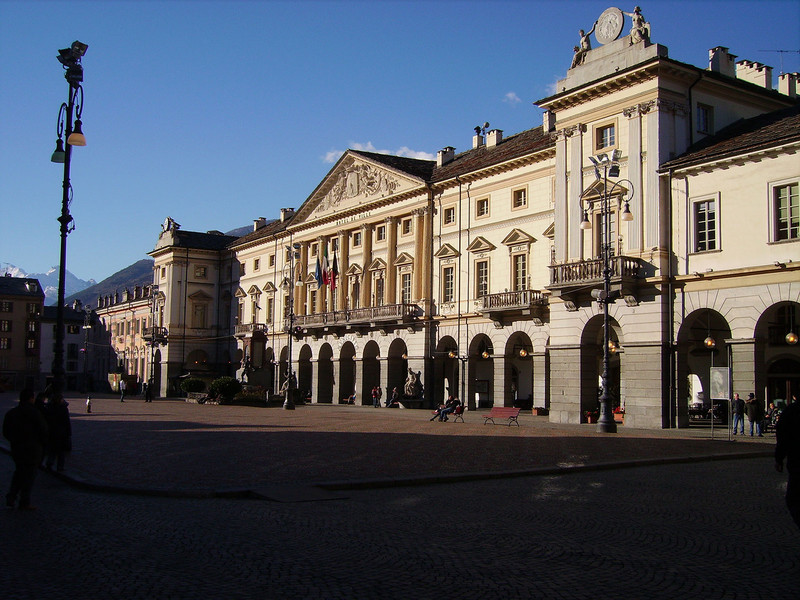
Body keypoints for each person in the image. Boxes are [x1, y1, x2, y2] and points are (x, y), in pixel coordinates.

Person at [4, 388, 49, 510]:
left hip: (17, 448)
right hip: (32, 448)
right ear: (31, 398)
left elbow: (6, 432)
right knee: (29, 475)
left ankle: (11, 496)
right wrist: (41, 443)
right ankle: (24, 501)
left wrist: (14, 440)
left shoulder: (12, 413)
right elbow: (43, 430)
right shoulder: (34, 413)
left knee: (19, 472)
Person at [775, 396, 800, 530]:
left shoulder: (792, 411)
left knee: (793, 500)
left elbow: (782, 436)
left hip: (797, 463)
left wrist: (779, 458)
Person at [44, 394, 72, 472]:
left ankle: (49, 463)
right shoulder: (63, 408)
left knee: (52, 449)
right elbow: (66, 422)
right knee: (61, 451)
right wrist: (68, 433)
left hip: (52, 432)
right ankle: (60, 466)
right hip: (61, 432)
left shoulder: (49, 408)